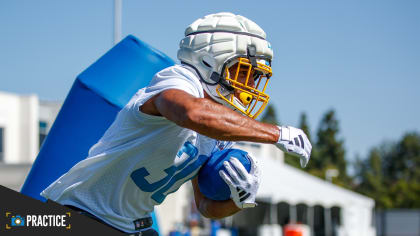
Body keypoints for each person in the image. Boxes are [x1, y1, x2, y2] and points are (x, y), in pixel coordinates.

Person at [41, 12, 312, 236]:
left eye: (255, 76)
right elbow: (193, 114)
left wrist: (238, 200)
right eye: (244, 71)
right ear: (209, 60)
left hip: (135, 225)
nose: (250, 84)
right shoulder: (178, 81)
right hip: (79, 214)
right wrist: (275, 134)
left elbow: (205, 205)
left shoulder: (220, 124)